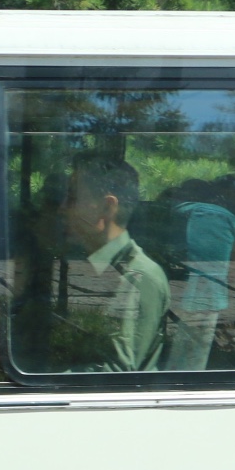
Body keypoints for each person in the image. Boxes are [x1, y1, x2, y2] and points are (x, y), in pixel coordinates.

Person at [58, 158, 170, 372]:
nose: (62, 208)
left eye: (73, 198)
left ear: (108, 208)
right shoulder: (105, 267)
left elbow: (116, 375)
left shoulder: (139, 277)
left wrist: (40, 382)